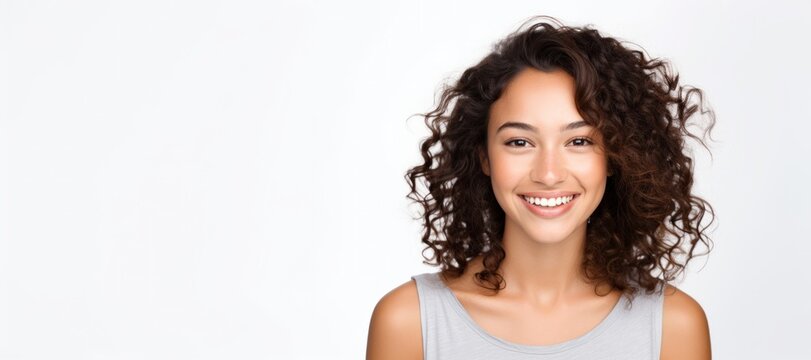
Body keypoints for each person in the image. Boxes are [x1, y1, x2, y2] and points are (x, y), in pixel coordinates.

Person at [366, 15, 715, 360]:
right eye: (519, 142)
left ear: (615, 156)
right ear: (483, 157)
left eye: (579, 141)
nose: (548, 174)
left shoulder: (673, 327)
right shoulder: (410, 323)